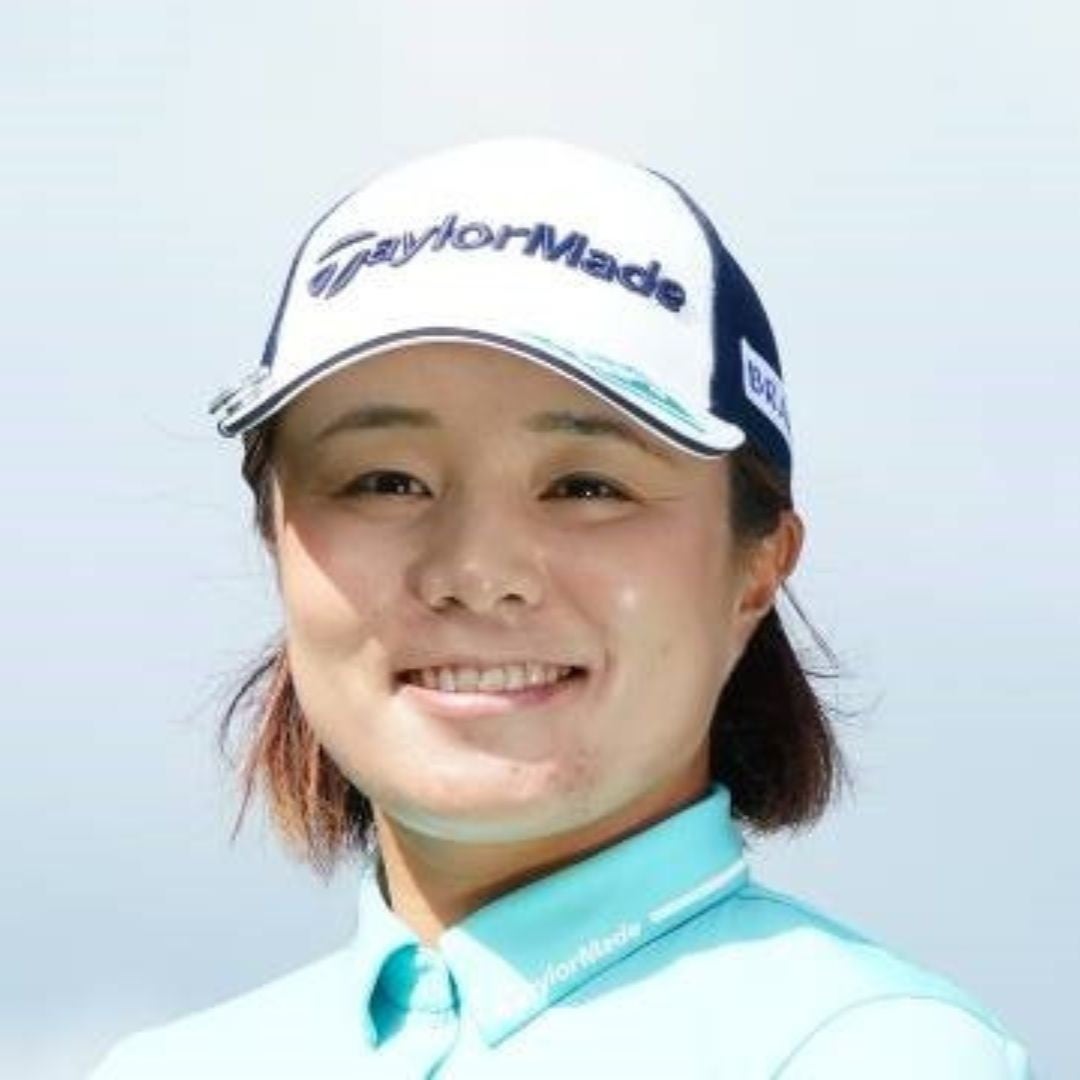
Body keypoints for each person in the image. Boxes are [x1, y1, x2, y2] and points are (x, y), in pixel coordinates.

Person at [90, 138, 1032, 1078]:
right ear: (276, 535)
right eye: (385, 480)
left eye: (587, 486)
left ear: (756, 568)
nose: (475, 571)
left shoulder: (876, 1052)